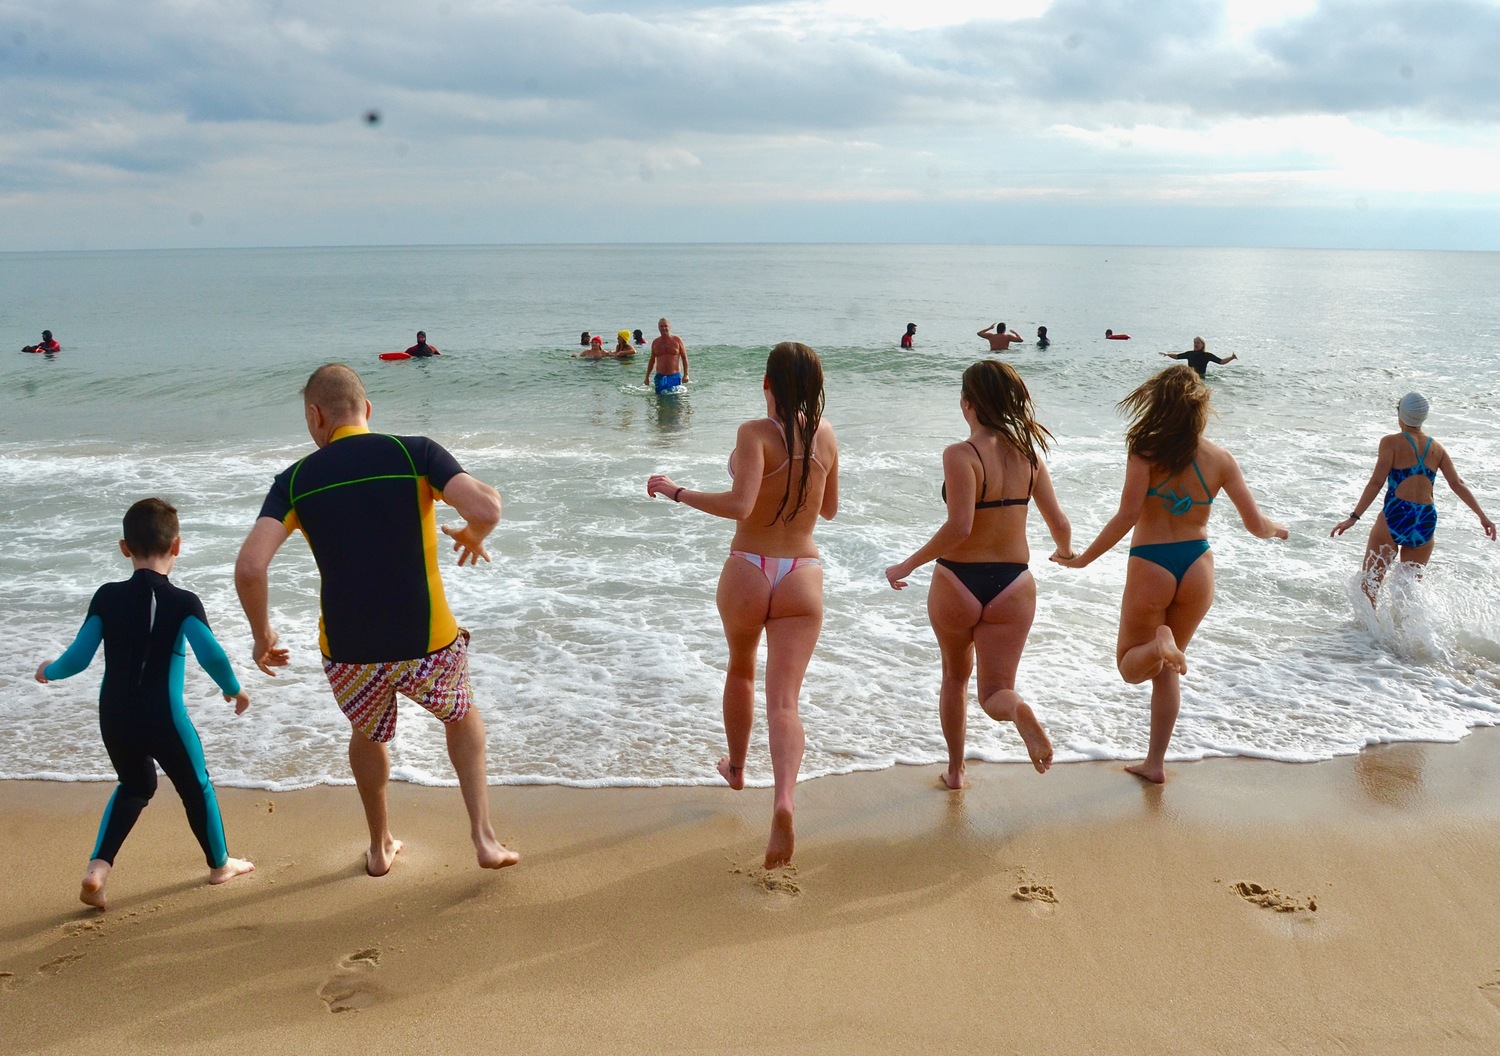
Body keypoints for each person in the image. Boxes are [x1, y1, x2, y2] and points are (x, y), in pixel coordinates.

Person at [234, 364, 518, 876]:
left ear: (315, 416)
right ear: (367, 411)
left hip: (350, 650)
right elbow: (488, 507)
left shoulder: (295, 480)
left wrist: (263, 635)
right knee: (461, 716)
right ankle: (483, 838)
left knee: (368, 733)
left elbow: (250, 567)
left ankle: (380, 846)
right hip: (428, 640)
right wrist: (475, 534)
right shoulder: (416, 453)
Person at [645, 342, 839, 869]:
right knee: (785, 702)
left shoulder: (754, 433)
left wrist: (676, 490)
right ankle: (783, 801)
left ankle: (736, 768)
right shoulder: (824, 435)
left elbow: (741, 506)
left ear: (766, 383)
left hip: (750, 566)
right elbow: (832, 508)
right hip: (803, 571)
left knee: (741, 670)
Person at [1054, 365, 1286, 784]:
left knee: (1130, 666)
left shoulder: (1145, 450)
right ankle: (1155, 763)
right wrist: (1276, 529)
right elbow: (1255, 524)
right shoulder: (1220, 458)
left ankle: (1162, 646)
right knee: (1165, 671)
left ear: (1158, 404)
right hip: (1198, 565)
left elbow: (1127, 515)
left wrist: (1084, 558)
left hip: (1152, 563)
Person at [34, 498, 254, 910]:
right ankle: (220, 865)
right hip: (164, 717)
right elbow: (212, 654)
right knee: (197, 787)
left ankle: (97, 870)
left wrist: (50, 669)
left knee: (136, 784)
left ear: (124, 547)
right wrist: (233, 688)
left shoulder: (106, 596)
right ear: (177, 546)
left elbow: (77, 659)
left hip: (114, 715)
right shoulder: (183, 601)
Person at [885, 361, 1072, 790]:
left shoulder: (960, 454)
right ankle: (1017, 709)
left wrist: (907, 565)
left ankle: (955, 771)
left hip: (958, 580)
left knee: (955, 676)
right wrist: (1066, 554)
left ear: (967, 403)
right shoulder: (1030, 455)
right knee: (994, 693)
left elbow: (960, 528)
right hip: (1015, 584)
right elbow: (1059, 523)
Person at [1330, 392, 1494, 605]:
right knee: (1408, 594)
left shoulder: (1391, 443)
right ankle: (1409, 636)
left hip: (1396, 514)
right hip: (1425, 519)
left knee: (1369, 586)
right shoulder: (1437, 447)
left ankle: (1369, 637)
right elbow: (1457, 484)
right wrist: (1483, 517)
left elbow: (1376, 483)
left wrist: (1354, 516)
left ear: (1401, 415)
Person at [645, 317, 690, 394]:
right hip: (660, 376)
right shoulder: (655, 342)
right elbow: (652, 360)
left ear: (669, 327)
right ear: (658, 328)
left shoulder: (677, 340)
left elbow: (684, 358)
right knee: (659, 400)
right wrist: (647, 377)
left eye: (665, 326)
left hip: (674, 376)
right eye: (661, 326)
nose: (663, 328)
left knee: (675, 401)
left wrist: (686, 374)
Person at [1161, 337, 1235, 378]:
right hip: (1190, 376)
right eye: (1194, 343)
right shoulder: (1190, 354)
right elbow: (1177, 356)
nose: (1195, 344)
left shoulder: (1207, 355)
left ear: (1203, 344)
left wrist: (1231, 358)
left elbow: (1221, 362)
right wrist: (1167, 354)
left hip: (1201, 377)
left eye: (1198, 343)